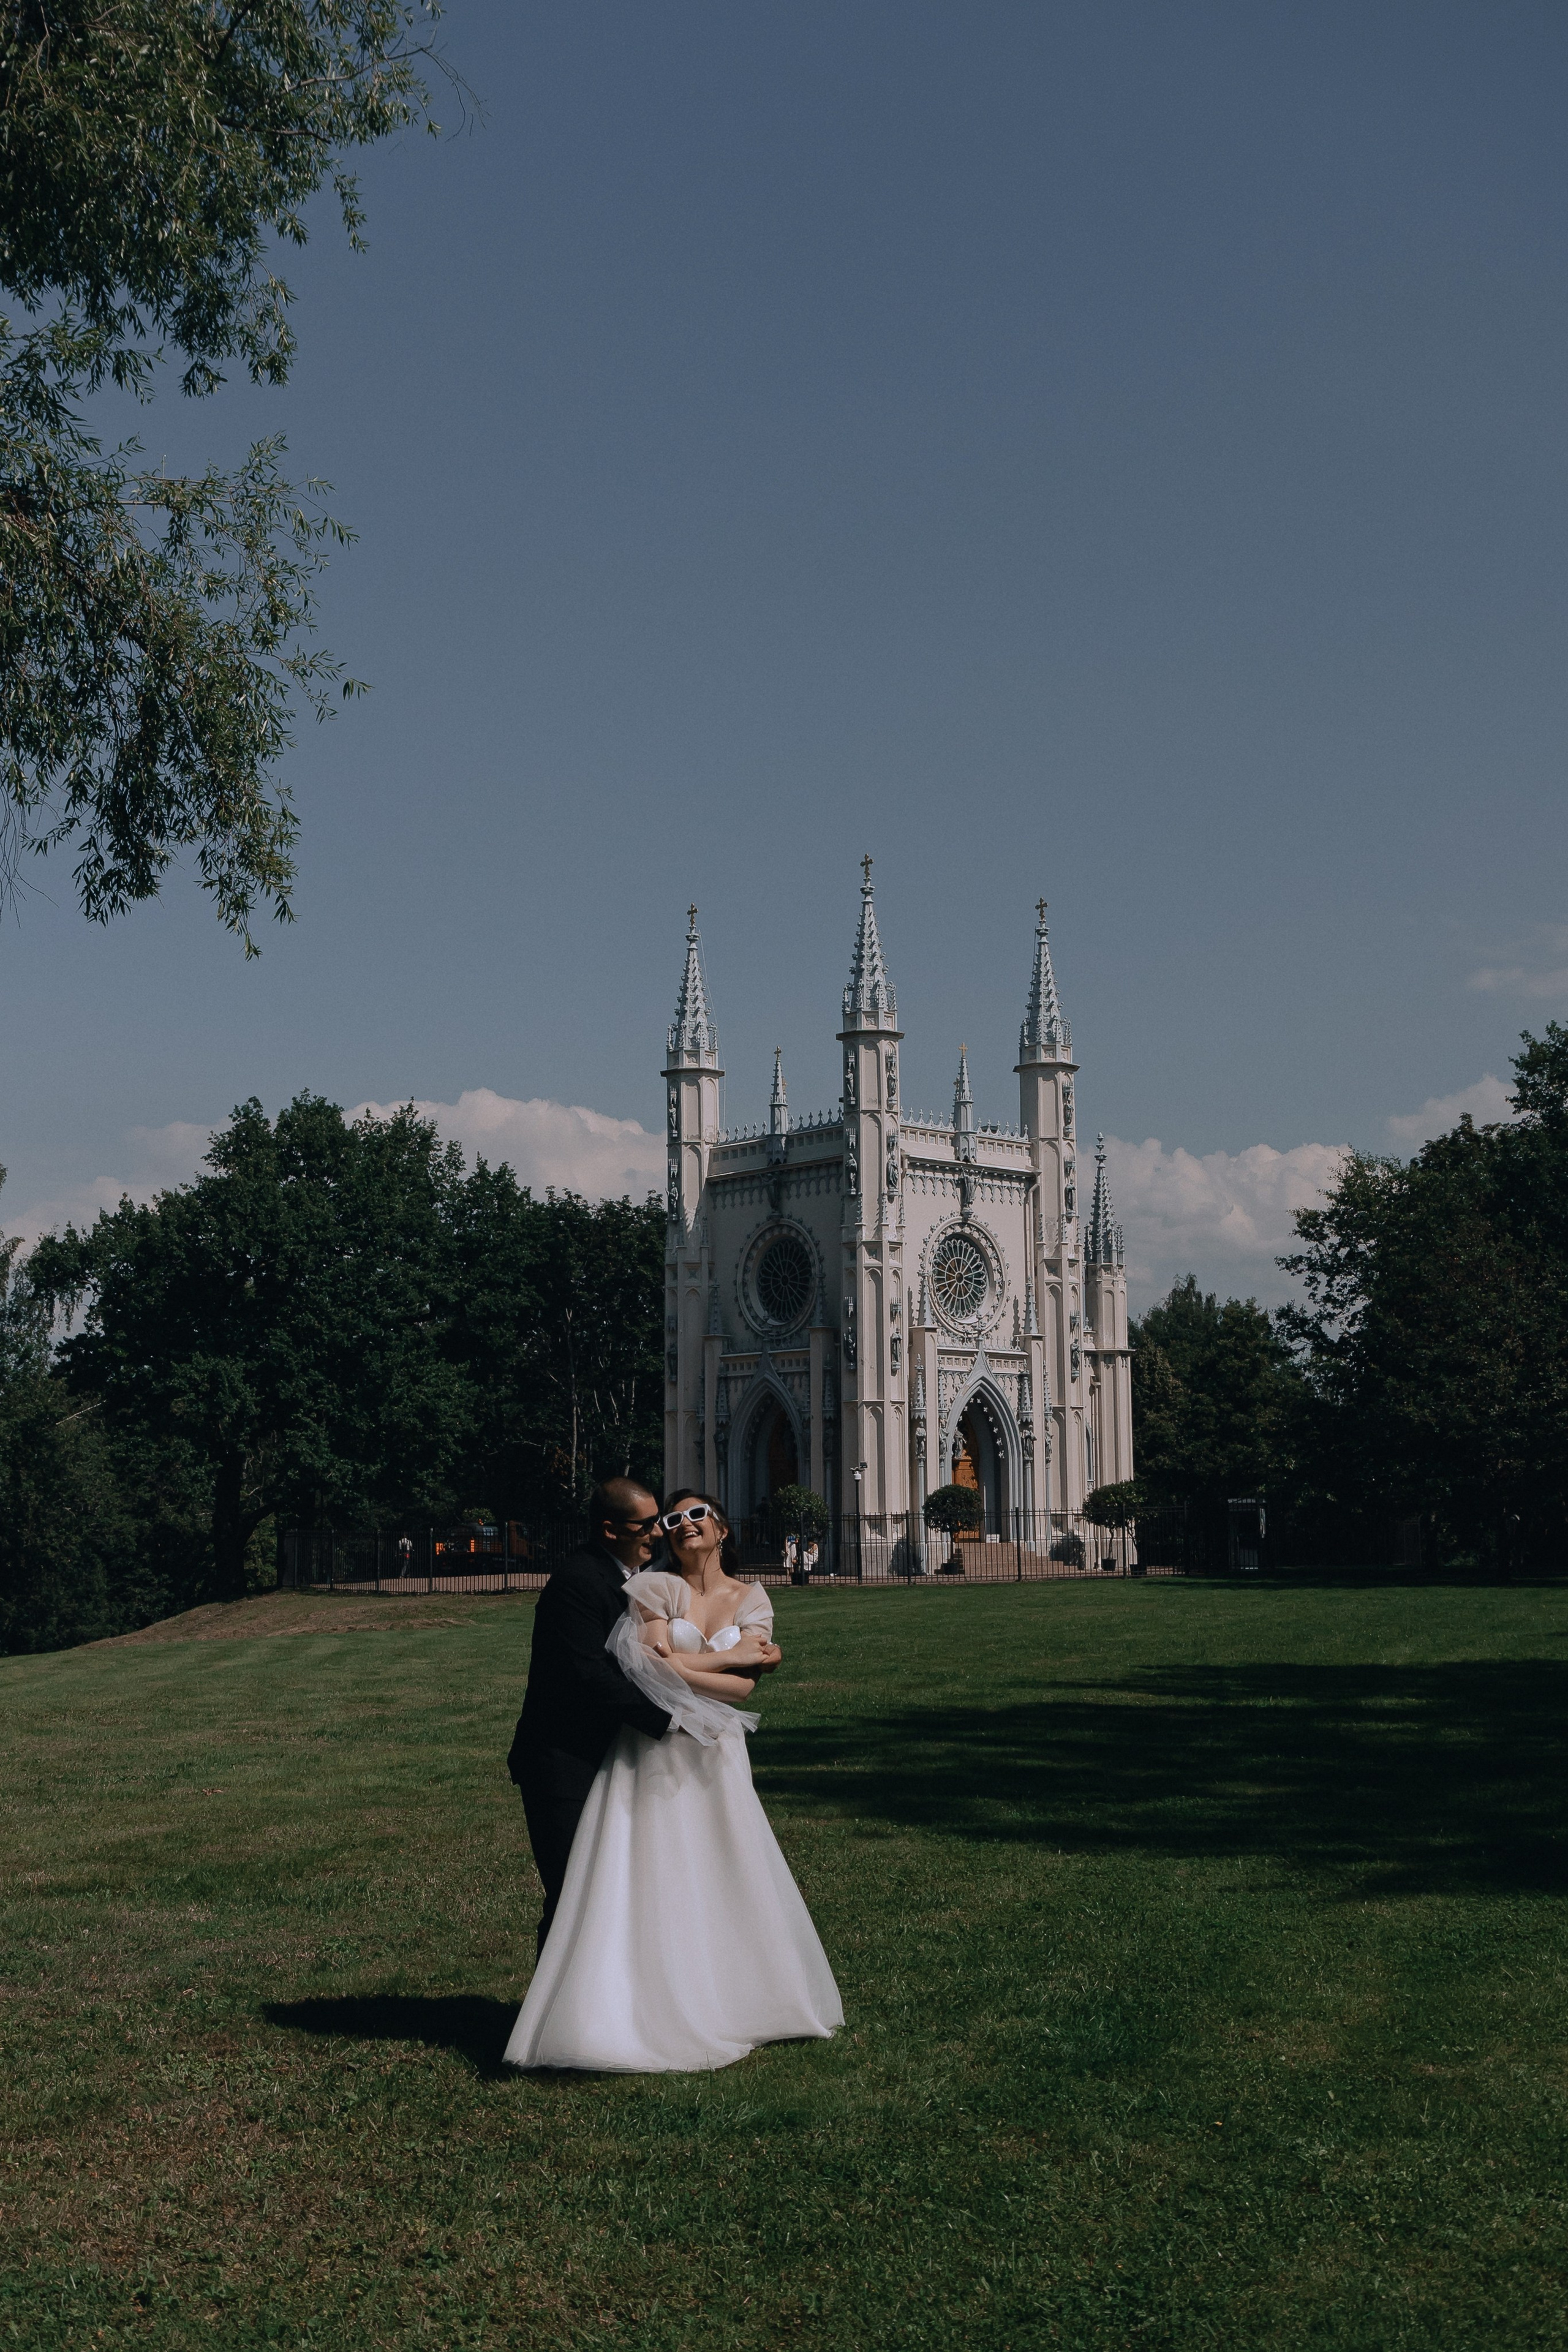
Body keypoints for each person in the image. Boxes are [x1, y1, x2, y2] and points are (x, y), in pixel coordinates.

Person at [503, 1489, 843, 2073]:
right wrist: (730, 1662)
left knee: (720, 1872)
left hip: (712, 1749)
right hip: (639, 1745)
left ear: (723, 1529)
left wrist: (687, 1671)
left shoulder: (749, 1597)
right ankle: (582, 2019)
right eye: (666, 1519)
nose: (673, 1528)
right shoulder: (645, 1587)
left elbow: (736, 1690)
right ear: (617, 1530)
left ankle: (719, 2000)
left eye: (694, 1516)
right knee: (606, 1886)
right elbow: (636, 1666)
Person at [508, 1479, 696, 1954]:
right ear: (610, 1530)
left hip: (609, 1758)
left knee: (609, 1892)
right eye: (645, 1525)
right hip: (562, 1761)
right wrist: (670, 1721)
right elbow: (589, 1675)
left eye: (658, 1521)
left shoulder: (634, 1581)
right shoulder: (578, 1581)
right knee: (573, 1892)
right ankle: (550, 2020)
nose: (658, 1533)